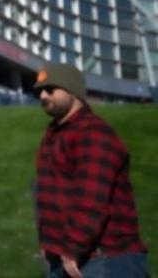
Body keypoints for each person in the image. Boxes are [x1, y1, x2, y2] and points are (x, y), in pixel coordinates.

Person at [33, 63, 149, 278]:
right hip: (70, 259)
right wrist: (49, 244)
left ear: (72, 91)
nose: (42, 96)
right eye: (39, 90)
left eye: (50, 89)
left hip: (107, 260)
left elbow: (91, 199)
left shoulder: (93, 133)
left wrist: (72, 248)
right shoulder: (55, 134)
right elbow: (51, 193)